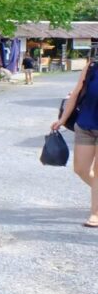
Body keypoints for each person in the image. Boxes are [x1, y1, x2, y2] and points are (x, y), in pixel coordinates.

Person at [52, 59, 98, 227]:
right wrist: (62, 119)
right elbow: (76, 93)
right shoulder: (92, 66)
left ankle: (95, 213)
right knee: (81, 169)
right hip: (85, 124)